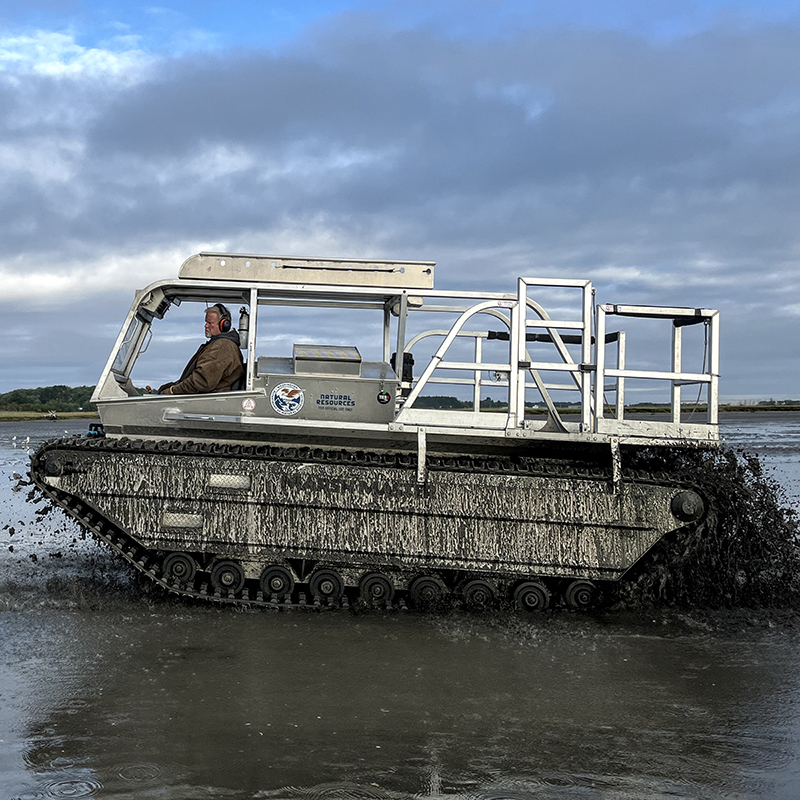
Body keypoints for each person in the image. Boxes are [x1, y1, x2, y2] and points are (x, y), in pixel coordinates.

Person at [158, 304, 244, 395]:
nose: (206, 326)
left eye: (210, 323)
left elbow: (201, 381)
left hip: (209, 403)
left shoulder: (222, 346)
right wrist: (171, 386)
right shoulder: (220, 344)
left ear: (224, 324)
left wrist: (172, 391)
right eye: (206, 322)